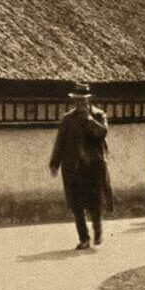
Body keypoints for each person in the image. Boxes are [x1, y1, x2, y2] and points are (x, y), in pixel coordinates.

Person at [49, 83, 112, 249]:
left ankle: (97, 231)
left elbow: (102, 133)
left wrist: (89, 121)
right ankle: (84, 238)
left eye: (82, 100)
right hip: (73, 167)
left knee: (95, 203)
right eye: (76, 100)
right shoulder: (67, 119)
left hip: (93, 167)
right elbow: (60, 143)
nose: (79, 103)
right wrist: (55, 163)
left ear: (88, 100)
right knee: (77, 205)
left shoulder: (99, 115)